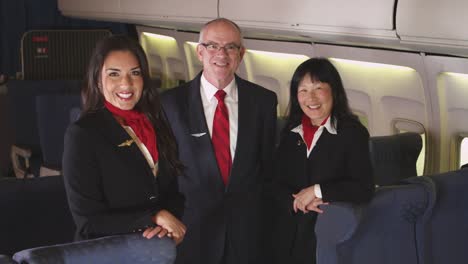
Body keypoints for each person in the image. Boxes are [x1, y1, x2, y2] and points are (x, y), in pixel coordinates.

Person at [161, 18, 278, 264]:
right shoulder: (171, 104)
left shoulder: (263, 102)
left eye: (231, 47)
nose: (221, 54)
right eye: (213, 46)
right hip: (191, 231)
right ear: (199, 52)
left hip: (247, 234)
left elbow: (268, 168)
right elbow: (165, 173)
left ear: (241, 54)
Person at [63, 35, 186, 244]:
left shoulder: (156, 123)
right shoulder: (83, 134)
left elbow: (172, 191)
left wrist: (168, 226)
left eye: (134, 73)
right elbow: (88, 222)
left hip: (156, 248)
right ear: (98, 81)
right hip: (107, 251)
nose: (126, 84)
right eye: (114, 74)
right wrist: (152, 218)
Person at [270, 58, 375, 264]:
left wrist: (317, 191)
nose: (311, 98)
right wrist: (297, 201)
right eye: (303, 90)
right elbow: (274, 181)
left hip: (328, 234)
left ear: (333, 91)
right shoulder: (291, 133)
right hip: (287, 232)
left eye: (319, 88)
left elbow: (363, 188)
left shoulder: (352, 133)